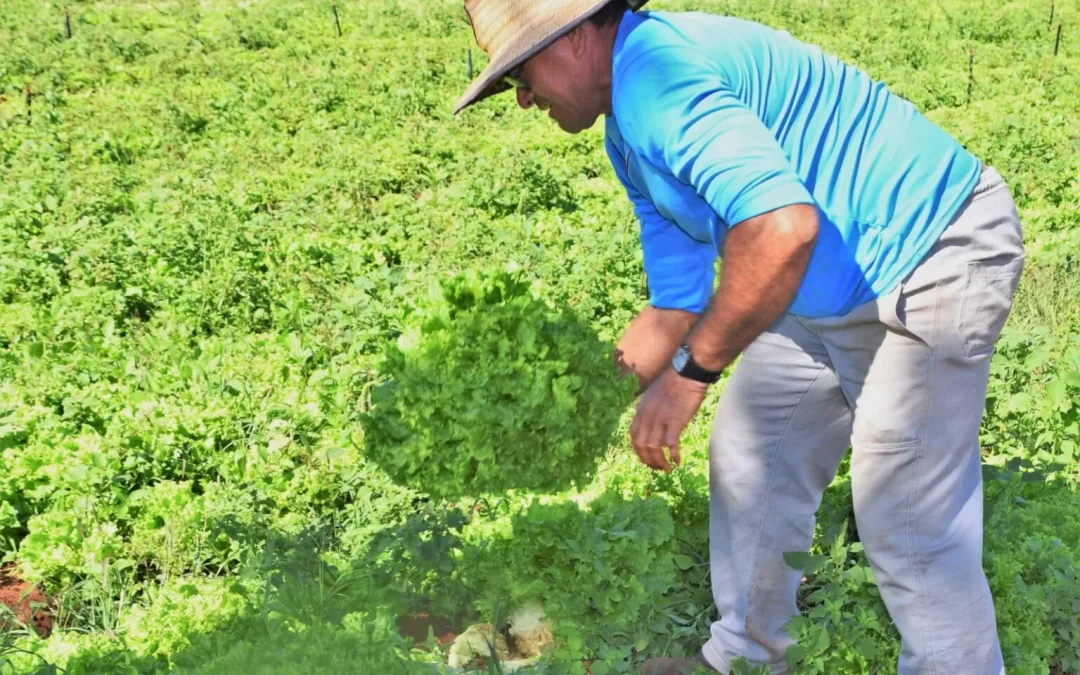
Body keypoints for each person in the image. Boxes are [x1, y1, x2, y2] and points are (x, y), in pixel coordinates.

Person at [453, 1, 1025, 673]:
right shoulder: (627, 136)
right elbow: (675, 305)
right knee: (753, 460)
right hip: (824, 282)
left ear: (573, 38)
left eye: (521, 74)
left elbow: (783, 229)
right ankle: (747, 659)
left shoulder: (656, 79)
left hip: (930, 252)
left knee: (908, 518)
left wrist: (691, 375)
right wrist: (569, 408)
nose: (523, 99)